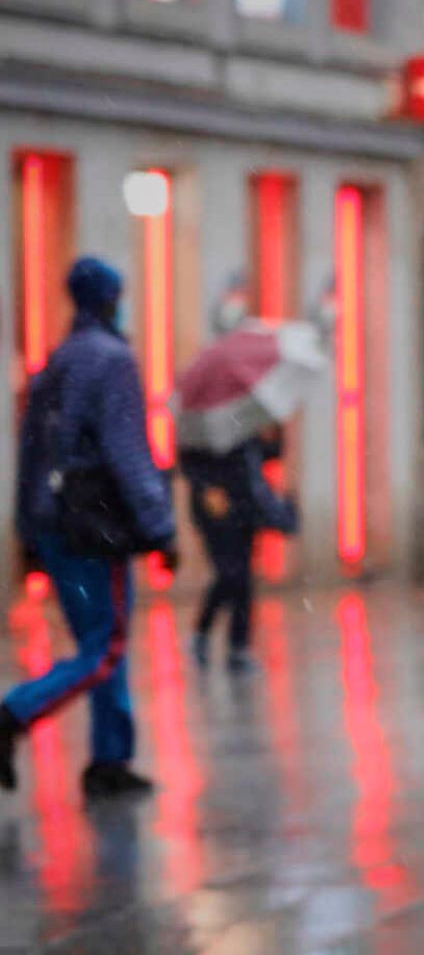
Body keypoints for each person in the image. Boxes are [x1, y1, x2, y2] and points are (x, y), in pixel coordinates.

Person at [1, 257, 177, 799]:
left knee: (98, 642)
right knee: (105, 647)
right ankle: (14, 713)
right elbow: (127, 451)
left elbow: (31, 452)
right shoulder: (112, 360)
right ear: (109, 300)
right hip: (95, 527)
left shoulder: (56, 360)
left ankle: (110, 758)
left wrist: (28, 528)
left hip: (54, 525)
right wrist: (160, 526)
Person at [181, 425, 298, 671]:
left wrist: (276, 432)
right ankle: (202, 633)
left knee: (243, 579)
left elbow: (267, 453)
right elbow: (188, 462)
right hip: (217, 512)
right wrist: (207, 486)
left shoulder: (245, 422)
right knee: (229, 574)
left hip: (245, 508)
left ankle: (238, 646)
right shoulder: (202, 424)